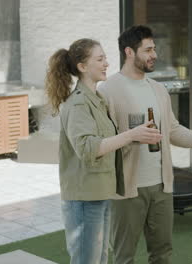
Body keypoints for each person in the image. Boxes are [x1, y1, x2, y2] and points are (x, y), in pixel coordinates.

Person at [98, 25, 192, 264]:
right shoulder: (108, 91)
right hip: (126, 190)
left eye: (155, 49)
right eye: (148, 50)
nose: (154, 55)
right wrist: (130, 136)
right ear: (129, 52)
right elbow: (101, 141)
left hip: (162, 186)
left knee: (162, 253)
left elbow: (172, 130)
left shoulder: (158, 89)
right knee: (124, 256)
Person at [45, 38, 162, 264]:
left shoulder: (97, 100)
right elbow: (88, 148)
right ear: (82, 67)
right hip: (85, 198)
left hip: (100, 193)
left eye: (105, 58)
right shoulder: (79, 104)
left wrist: (134, 134)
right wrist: (131, 135)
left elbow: (105, 140)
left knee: (99, 259)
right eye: (100, 59)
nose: (107, 63)